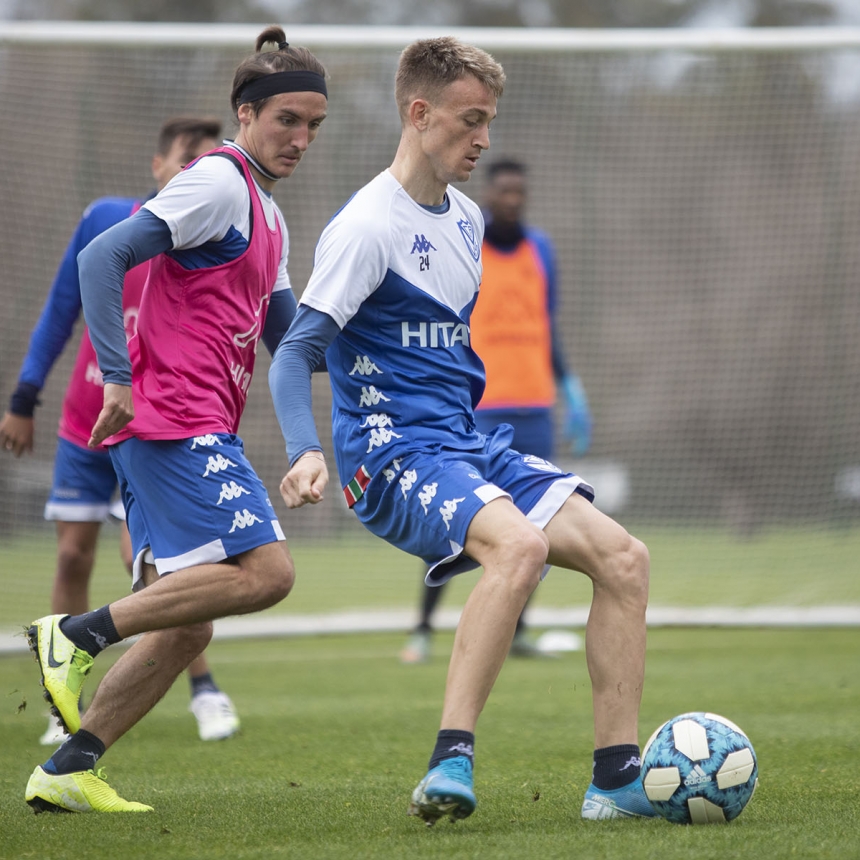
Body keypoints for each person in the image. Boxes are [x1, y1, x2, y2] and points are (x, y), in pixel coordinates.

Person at [269, 36, 656, 825]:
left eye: (489, 121)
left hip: (465, 444)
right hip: (389, 454)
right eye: (470, 119)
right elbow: (295, 355)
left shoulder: (467, 220)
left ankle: (616, 782)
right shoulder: (367, 227)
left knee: (625, 559)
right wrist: (305, 448)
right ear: (419, 113)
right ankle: (450, 759)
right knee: (520, 547)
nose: (483, 137)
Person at [23, 25, 328, 813]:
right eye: (287, 120)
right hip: (175, 422)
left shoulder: (268, 214)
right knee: (268, 574)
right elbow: (100, 258)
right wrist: (117, 378)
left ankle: (68, 770)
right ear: (246, 114)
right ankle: (76, 634)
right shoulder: (218, 181)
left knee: (189, 624)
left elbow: (292, 343)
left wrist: (369, 366)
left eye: (314, 124)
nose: (301, 138)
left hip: (184, 426)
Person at [1, 116, 243, 747]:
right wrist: (25, 395)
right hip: (86, 422)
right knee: (72, 554)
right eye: (185, 159)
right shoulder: (108, 221)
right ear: (157, 165)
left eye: (206, 162)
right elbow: (62, 308)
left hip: (151, 427)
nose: (195, 171)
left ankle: (204, 689)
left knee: (164, 570)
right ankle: (62, 704)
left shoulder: (207, 232)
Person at [399, 157, 593, 665]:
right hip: (477, 408)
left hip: (535, 408)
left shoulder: (541, 250)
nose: (512, 200)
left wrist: (569, 386)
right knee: (454, 517)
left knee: (539, 519)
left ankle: (517, 630)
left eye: (519, 192)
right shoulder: (466, 243)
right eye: (504, 191)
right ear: (489, 192)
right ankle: (423, 628)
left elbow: (546, 323)